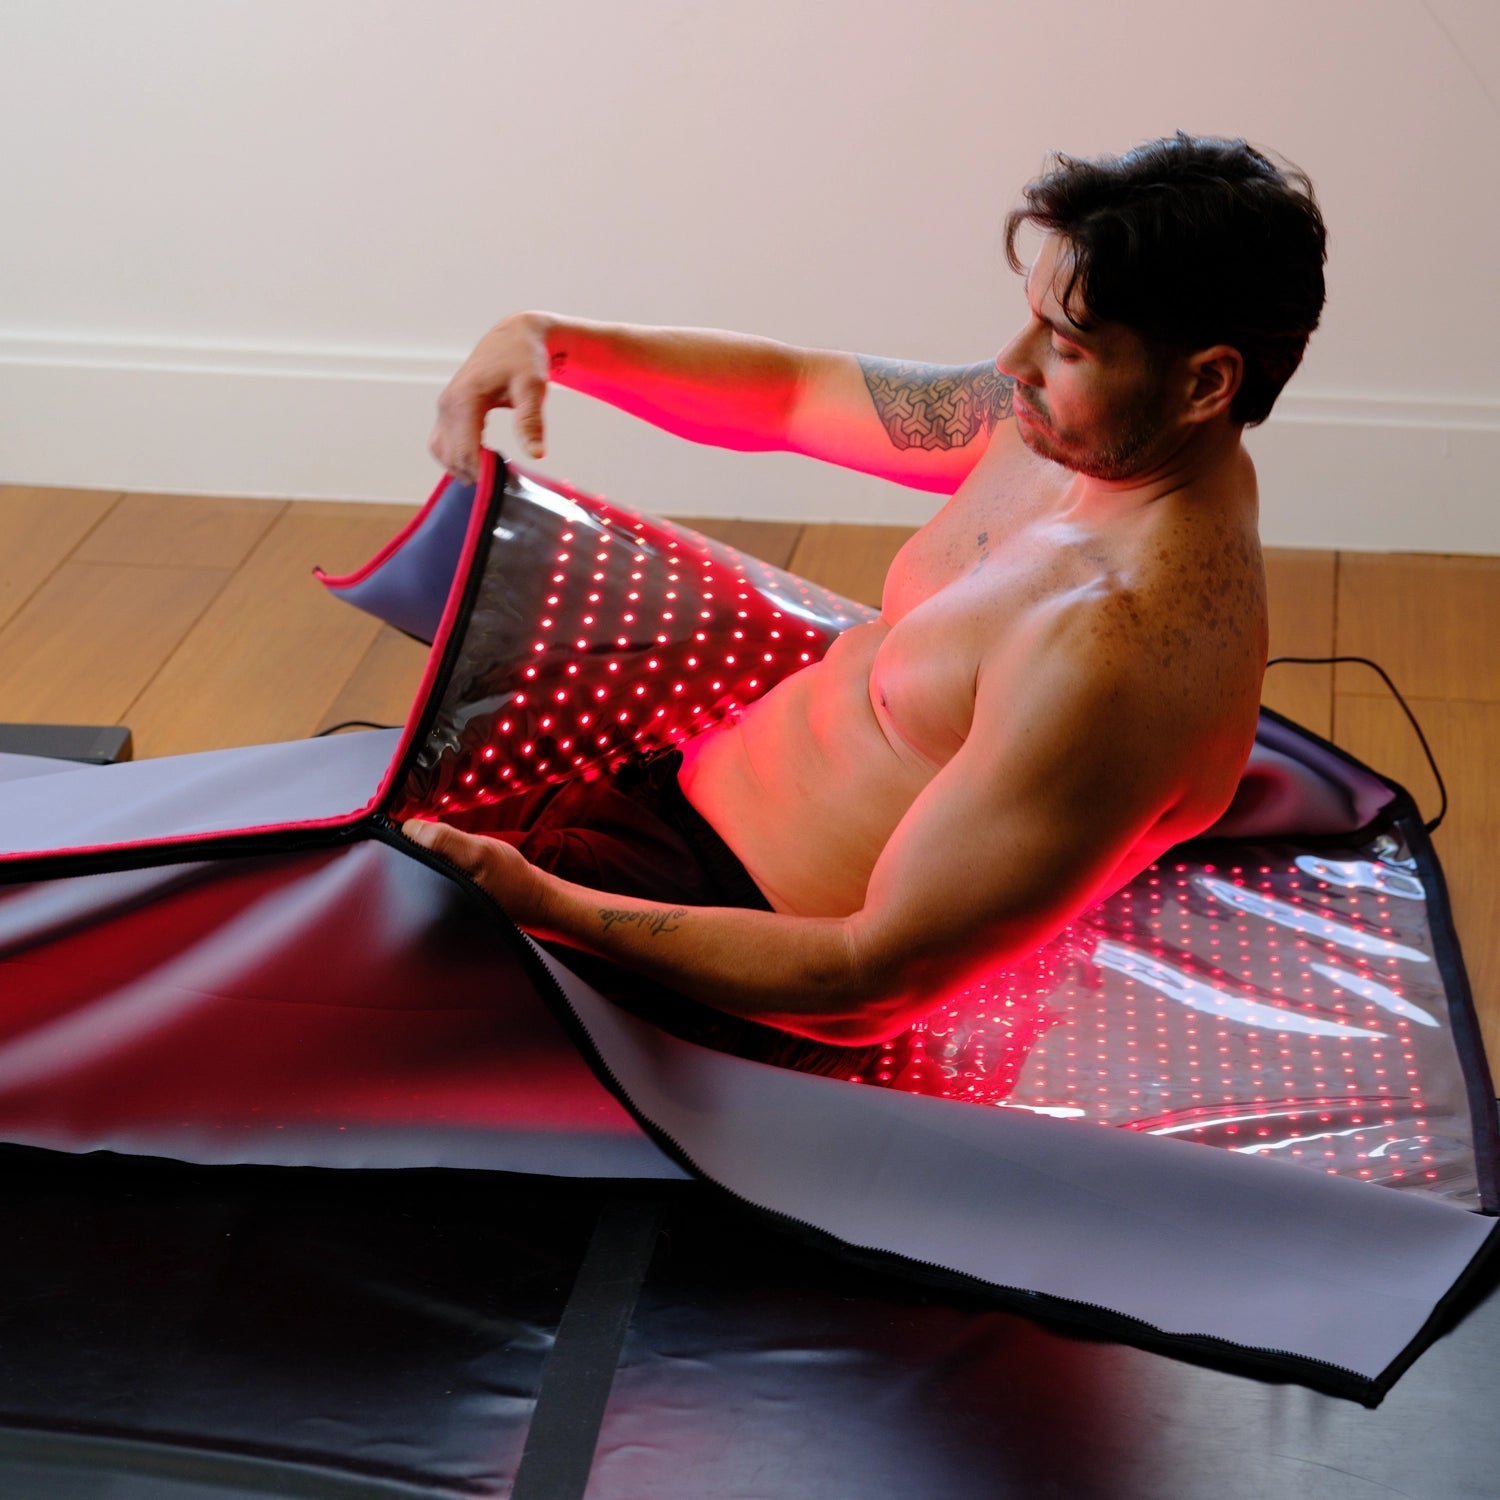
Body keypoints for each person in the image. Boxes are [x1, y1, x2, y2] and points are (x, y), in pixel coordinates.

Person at [408, 131, 1327, 1049]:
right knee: (314, 842)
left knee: (315, 972)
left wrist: (544, 903)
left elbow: (867, 979)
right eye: (1035, 318)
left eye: (1069, 343)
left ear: (1206, 383)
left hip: (715, 945)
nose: (1014, 361)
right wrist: (554, 342)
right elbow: (794, 394)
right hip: (650, 802)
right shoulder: (1068, 428)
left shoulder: (1118, 649)